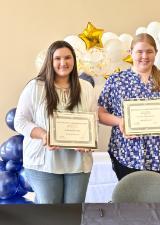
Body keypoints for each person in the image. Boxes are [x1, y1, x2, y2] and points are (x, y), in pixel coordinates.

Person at [98, 33, 160, 185]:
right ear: (131, 52)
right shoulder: (116, 80)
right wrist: (120, 121)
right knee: (132, 202)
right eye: (139, 51)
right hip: (127, 153)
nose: (144, 56)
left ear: (155, 53)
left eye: (149, 51)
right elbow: (101, 113)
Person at [14, 40, 96, 203]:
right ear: (50, 61)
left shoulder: (86, 87)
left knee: (73, 212)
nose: (63, 63)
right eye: (57, 58)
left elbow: (93, 120)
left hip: (78, 163)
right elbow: (20, 121)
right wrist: (44, 135)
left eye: (68, 58)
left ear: (74, 60)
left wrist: (89, 142)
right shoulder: (35, 87)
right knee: (50, 212)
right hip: (43, 161)